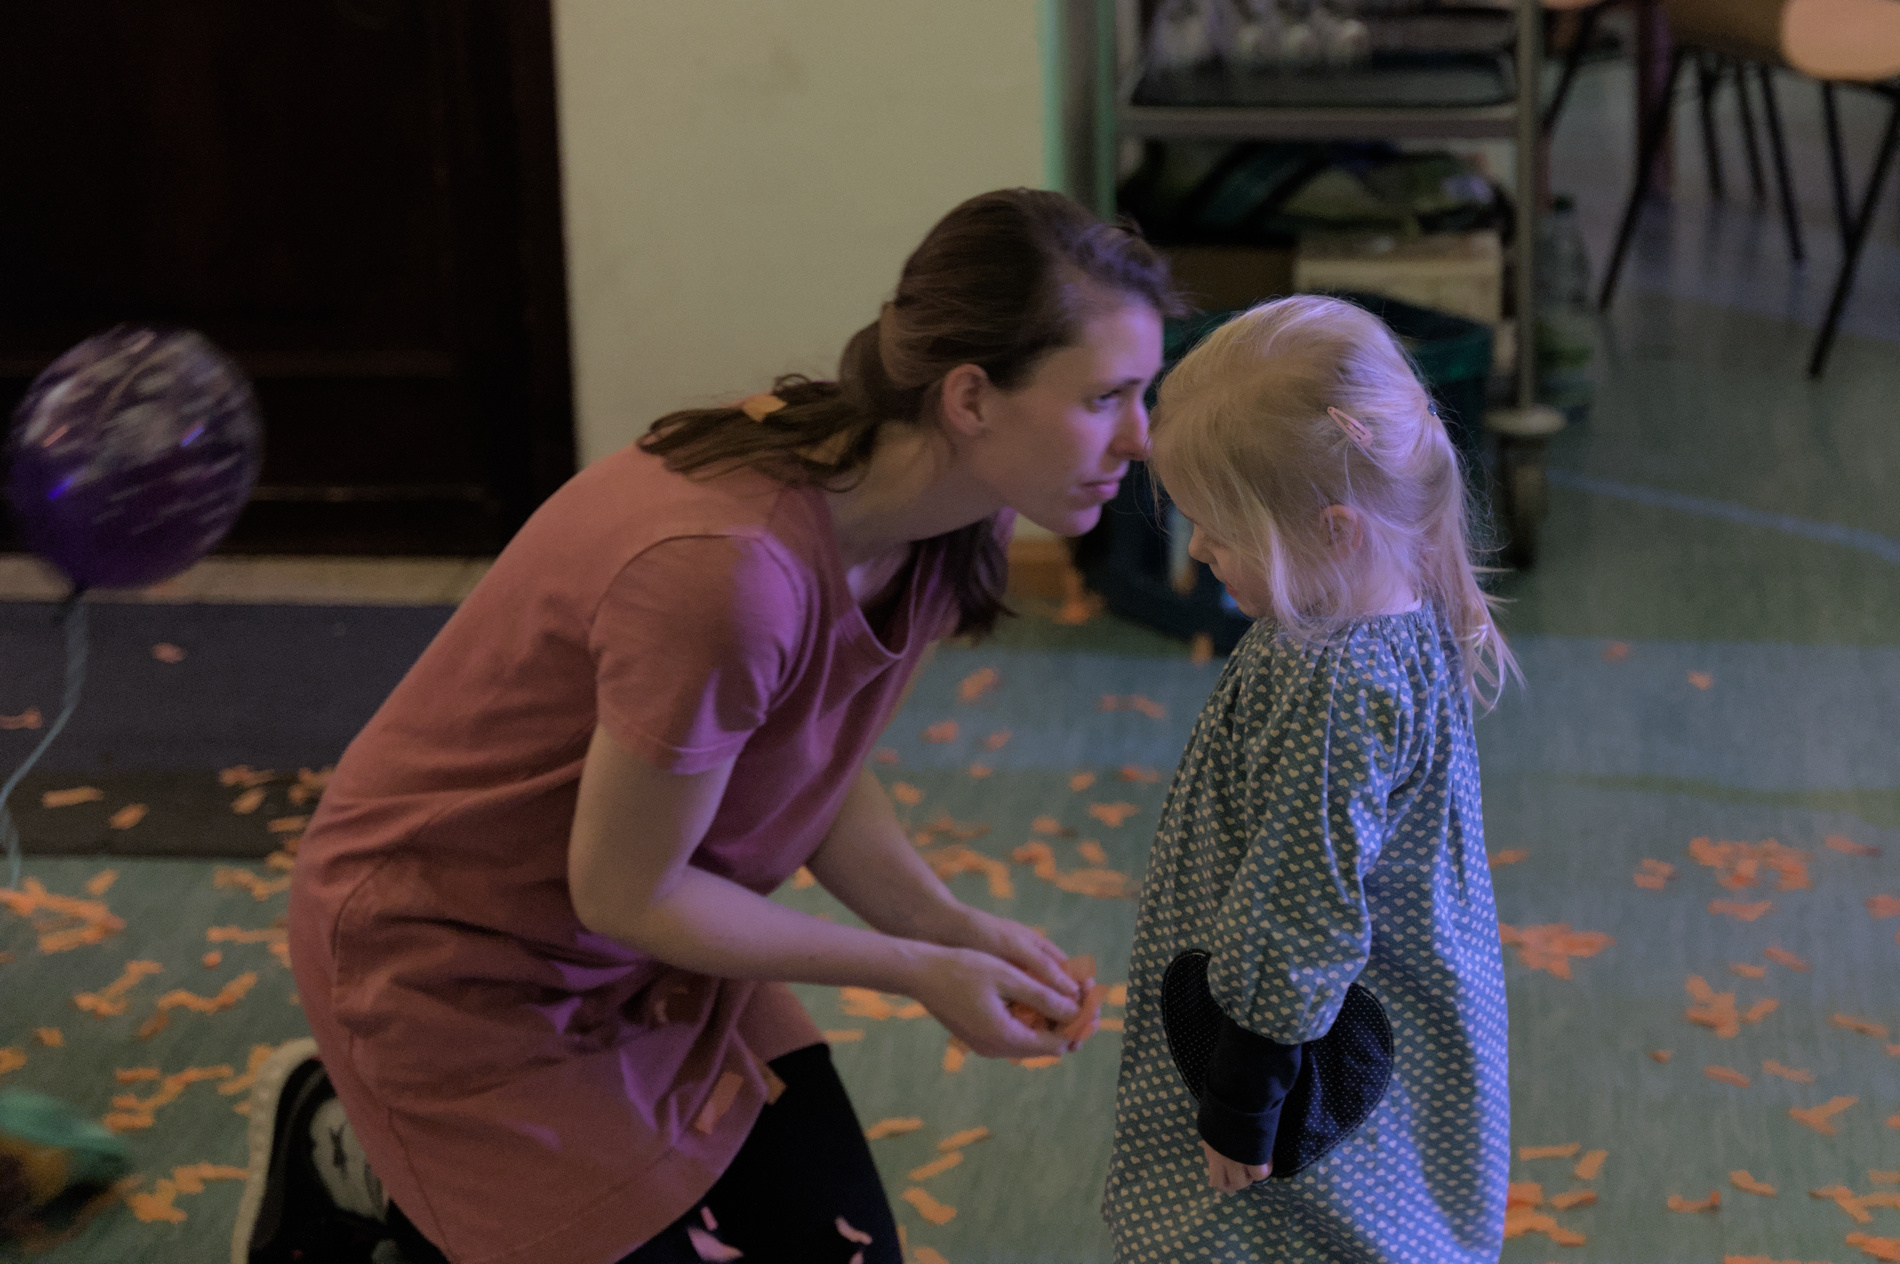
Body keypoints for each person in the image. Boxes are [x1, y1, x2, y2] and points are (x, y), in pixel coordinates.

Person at [232, 188, 1173, 1264]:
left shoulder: (956, 516)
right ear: (970, 398)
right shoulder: (729, 574)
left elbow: (809, 759)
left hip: (641, 945)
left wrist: (946, 923)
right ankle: (362, 1156)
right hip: (457, 962)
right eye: (1106, 396)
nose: (1139, 437)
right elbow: (626, 892)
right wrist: (913, 965)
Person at [1104, 295, 1516, 1262]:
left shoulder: (1328, 678)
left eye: (1218, 527)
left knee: (1291, 1237)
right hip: (1381, 1005)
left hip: (1297, 1046)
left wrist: (1246, 1090)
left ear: (1333, 531)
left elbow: (1303, 898)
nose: (1198, 548)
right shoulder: (1396, 608)